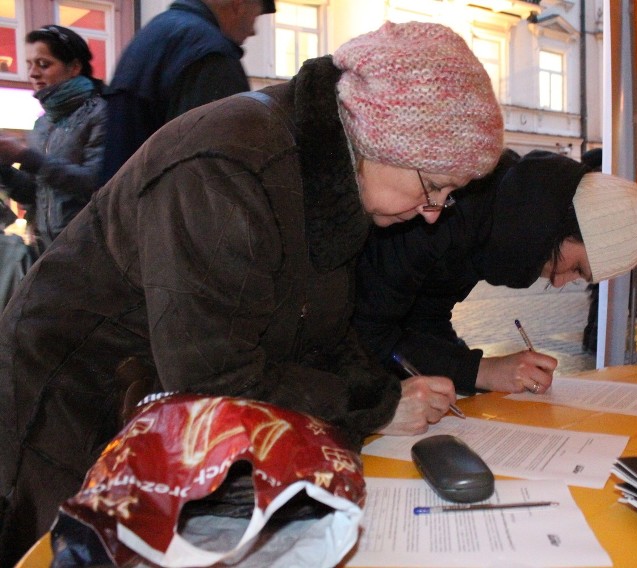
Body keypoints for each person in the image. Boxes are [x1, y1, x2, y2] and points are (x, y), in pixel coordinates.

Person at [0, 21, 503, 565]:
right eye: (434, 187)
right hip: (66, 400)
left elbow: (323, 333)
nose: (432, 215)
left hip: (145, 405)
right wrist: (375, 407)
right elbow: (213, 374)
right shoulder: (228, 166)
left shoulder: (329, 182)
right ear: (383, 138)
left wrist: (380, 393)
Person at [354, 149, 637, 396]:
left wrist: (480, 375)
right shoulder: (455, 210)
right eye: (577, 267)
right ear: (556, 225)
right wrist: (482, 372)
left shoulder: (500, 216)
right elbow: (365, 331)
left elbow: (424, 316)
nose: (560, 281)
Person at [98, 0, 276, 184]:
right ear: (237, 5)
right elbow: (216, 171)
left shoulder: (155, 32)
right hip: (166, 206)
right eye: (255, 17)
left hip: (126, 202)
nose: (254, 31)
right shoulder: (211, 54)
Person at [0, 25, 106, 257]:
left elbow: (97, 184)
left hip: (91, 252)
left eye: (43, 64)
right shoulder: (43, 123)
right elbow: (32, 193)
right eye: (29, 65)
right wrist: (4, 169)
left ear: (75, 67)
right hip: (47, 252)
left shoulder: (101, 113)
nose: (33, 73)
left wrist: (26, 156)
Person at [580, 147, 603, 355]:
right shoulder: (595, 192)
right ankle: (593, 340)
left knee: (598, 299)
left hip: (596, 258)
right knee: (599, 299)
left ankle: (591, 340)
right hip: (597, 258)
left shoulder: (588, 190)